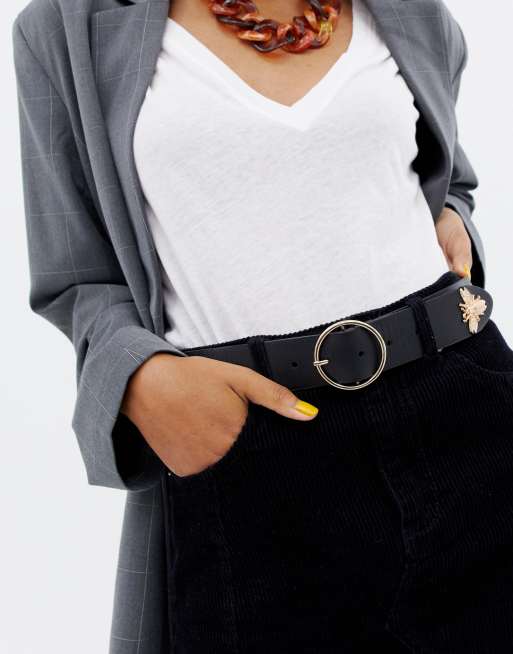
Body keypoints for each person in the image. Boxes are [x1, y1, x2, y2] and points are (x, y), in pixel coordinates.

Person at [12, 0, 513, 652]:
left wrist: (453, 218)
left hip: (465, 410)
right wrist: (145, 377)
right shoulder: (65, 27)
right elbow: (75, 277)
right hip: (253, 453)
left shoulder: (406, 9)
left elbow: (442, 174)